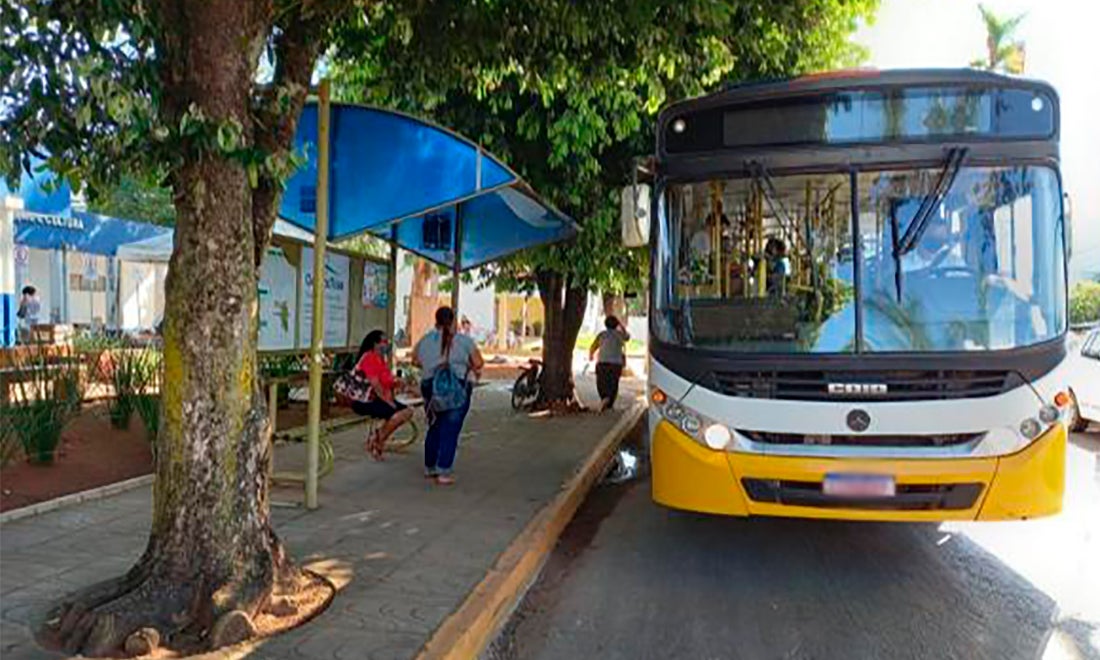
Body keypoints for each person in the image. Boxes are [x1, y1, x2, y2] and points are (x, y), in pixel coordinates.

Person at [413, 306, 484, 485]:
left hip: (430, 385)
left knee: (435, 425)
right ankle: (443, 470)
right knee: (450, 429)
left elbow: (414, 360)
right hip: (456, 386)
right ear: (453, 321)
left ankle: (430, 466)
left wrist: (431, 367)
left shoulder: (425, 339)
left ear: (435, 320)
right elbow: (478, 362)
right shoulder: (464, 341)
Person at [353, 330, 414, 461]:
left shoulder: (380, 359)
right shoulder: (369, 357)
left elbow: (386, 379)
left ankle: (378, 437)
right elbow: (375, 384)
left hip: (379, 398)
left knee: (407, 411)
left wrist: (398, 383)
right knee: (398, 413)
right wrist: (388, 401)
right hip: (366, 400)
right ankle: (378, 441)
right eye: (384, 342)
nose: (387, 345)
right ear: (375, 344)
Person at [589, 315, 630, 412]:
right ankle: (609, 402)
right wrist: (621, 325)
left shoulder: (602, 335)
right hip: (615, 364)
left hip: (602, 362)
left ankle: (604, 399)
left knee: (601, 382)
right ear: (616, 325)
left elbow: (593, 346)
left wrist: (591, 355)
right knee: (613, 383)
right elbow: (627, 337)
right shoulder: (619, 335)